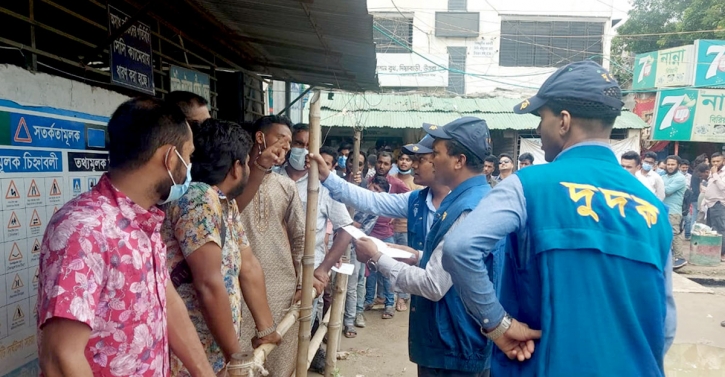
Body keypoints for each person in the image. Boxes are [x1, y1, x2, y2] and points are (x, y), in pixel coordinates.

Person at [442, 61, 675, 376]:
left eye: (542, 118)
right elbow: (666, 325)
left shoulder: (529, 185)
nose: (539, 130)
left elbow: (459, 248)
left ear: (563, 121)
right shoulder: (654, 210)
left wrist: (496, 324)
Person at [38, 97, 216, 377]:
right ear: (171, 158)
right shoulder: (84, 229)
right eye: (189, 156)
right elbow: (60, 358)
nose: (189, 167)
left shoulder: (145, 220)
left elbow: (167, 302)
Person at [356, 118, 503, 377]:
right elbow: (459, 264)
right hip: (451, 340)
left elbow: (434, 285)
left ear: (458, 161)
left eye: (436, 153)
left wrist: (377, 258)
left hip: (454, 347)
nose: (430, 160)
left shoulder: (466, 208)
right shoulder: (466, 200)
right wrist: (421, 256)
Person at [162, 119, 280, 376]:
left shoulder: (224, 203)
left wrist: (266, 330)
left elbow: (248, 265)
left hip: (214, 354)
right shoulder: (198, 199)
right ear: (237, 167)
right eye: (248, 163)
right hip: (188, 359)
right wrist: (236, 357)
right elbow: (207, 284)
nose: (248, 169)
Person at [238, 116, 305, 377]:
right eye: (281, 139)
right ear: (260, 137)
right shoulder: (233, 180)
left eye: (290, 144)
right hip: (239, 289)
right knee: (242, 363)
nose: (286, 147)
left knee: (278, 362)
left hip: (282, 287)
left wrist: (302, 282)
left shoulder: (286, 186)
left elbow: (300, 236)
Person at [278, 123, 353, 320]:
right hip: (274, 268)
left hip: (308, 270)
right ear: (289, 144)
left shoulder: (322, 185)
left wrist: (323, 269)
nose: (302, 150)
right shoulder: (271, 177)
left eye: (308, 146)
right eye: (298, 143)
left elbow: (346, 228)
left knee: (302, 324)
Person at [365, 150, 411, 318]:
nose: (382, 166)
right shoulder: (368, 181)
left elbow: (410, 199)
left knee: (387, 269)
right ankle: (369, 299)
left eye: (385, 164)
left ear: (390, 166)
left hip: (387, 233)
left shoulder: (396, 183)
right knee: (370, 269)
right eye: (379, 162)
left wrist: (397, 214)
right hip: (369, 232)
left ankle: (389, 304)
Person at [392, 148, 423, 312]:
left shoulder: (416, 182)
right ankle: (387, 298)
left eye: (407, 160)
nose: (404, 162)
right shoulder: (391, 179)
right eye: (401, 159)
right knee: (389, 262)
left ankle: (402, 298)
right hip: (390, 229)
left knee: (404, 263)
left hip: (406, 229)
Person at [663, 155, 688, 269]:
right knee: (664, 234)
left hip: (673, 211)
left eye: (673, 164)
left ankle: (680, 258)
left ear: (678, 165)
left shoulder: (680, 178)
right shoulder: (663, 176)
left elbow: (667, 191)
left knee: (674, 234)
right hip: (662, 209)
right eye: (668, 164)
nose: (670, 166)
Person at [701, 157, 725, 260]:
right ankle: (713, 251)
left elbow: (722, 187)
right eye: (713, 161)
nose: (715, 163)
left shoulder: (721, 173)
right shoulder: (713, 172)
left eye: (717, 161)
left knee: (719, 228)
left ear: (723, 161)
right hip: (709, 204)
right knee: (711, 229)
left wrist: (715, 174)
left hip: (718, 203)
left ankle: (721, 253)